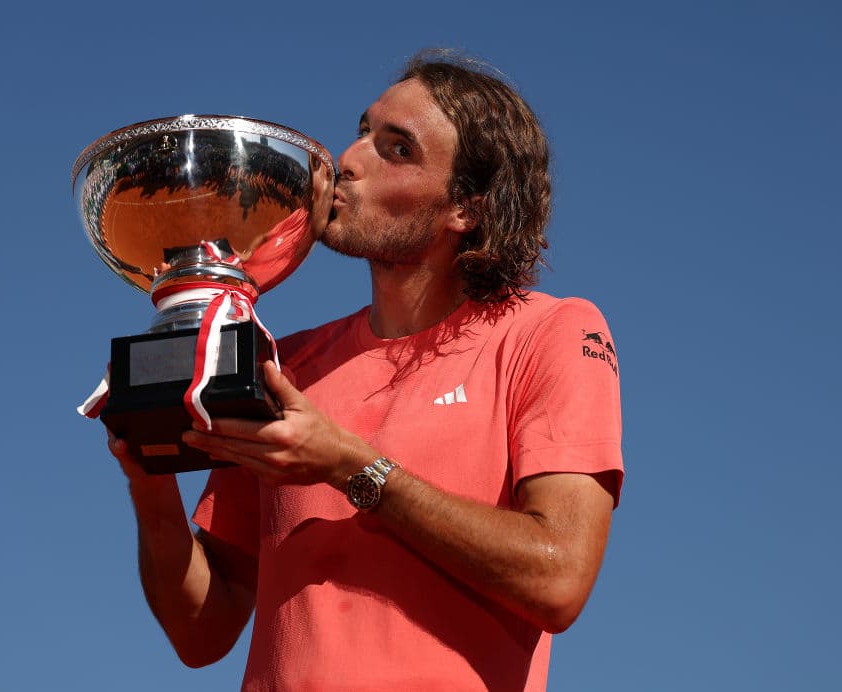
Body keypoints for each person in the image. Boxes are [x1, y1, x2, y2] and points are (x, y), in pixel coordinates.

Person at [108, 50, 624, 691]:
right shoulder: (286, 363)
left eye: (397, 149)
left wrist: (351, 466)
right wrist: (150, 479)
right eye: (361, 131)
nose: (347, 160)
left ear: (465, 207)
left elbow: (559, 578)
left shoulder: (550, 332)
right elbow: (201, 633)